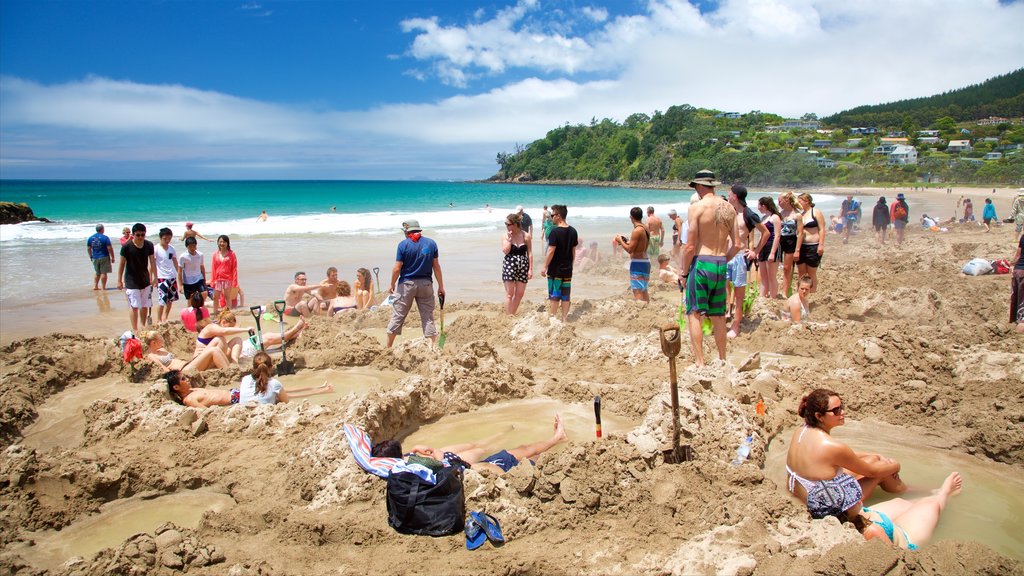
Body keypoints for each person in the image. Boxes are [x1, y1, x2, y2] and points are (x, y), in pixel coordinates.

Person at [786, 389, 962, 551]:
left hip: (825, 499)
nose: (843, 412)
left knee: (902, 501)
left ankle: (927, 493)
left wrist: (874, 456)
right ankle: (940, 492)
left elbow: (846, 457)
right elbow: (871, 472)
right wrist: (895, 465)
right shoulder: (872, 531)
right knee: (931, 503)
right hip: (885, 530)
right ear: (819, 416)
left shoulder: (802, 430)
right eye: (837, 410)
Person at [372, 414, 568, 475]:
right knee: (524, 453)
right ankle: (557, 438)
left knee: (482, 447)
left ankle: (509, 431)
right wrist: (425, 452)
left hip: (459, 465)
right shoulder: (410, 462)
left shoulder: (403, 468)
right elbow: (436, 458)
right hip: (465, 467)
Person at [680, 170, 738, 367]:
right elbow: (738, 244)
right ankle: (722, 359)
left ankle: (700, 361)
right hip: (720, 262)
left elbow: (689, 246)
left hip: (701, 261)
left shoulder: (696, 208)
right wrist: (723, 259)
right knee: (718, 315)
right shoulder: (729, 208)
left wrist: (683, 272)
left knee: (694, 313)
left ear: (699, 186)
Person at [386, 219, 446, 347]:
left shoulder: (403, 245)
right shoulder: (431, 243)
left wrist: (391, 284)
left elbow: (397, 268)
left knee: (398, 315)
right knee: (428, 317)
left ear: (407, 231)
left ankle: (388, 348)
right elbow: (436, 267)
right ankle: (431, 348)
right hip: (426, 284)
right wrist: (441, 286)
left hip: (406, 285)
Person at [726, 185, 768, 338]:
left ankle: (736, 326)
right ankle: (723, 318)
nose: (728, 195)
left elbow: (766, 232)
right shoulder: (730, 211)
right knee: (721, 290)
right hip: (724, 256)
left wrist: (755, 251)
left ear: (735, 196)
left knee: (738, 294)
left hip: (738, 258)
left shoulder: (748, 214)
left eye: (729, 194)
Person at [238, 351, 333, 404]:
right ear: (271, 367)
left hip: (246, 412)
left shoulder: (245, 379)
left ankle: (318, 388)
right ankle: (321, 390)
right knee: (281, 393)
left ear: (253, 367)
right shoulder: (274, 383)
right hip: (264, 412)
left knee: (278, 392)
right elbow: (287, 401)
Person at [540, 204, 579, 321]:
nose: (551, 217)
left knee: (555, 294)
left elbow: (551, 251)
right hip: (567, 269)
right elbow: (573, 251)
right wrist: (571, 266)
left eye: (552, 215)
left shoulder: (555, 232)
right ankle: (564, 318)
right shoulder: (573, 231)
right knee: (566, 295)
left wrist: (544, 266)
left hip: (555, 269)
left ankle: (553, 318)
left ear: (558, 216)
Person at [117, 223, 157, 332]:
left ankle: (142, 327)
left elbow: (152, 262)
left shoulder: (149, 245)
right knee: (134, 306)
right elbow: (121, 265)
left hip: (145, 280)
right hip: (131, 281)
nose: (140, 237)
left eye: (142, 235)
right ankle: (135, 329)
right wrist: (119, 280)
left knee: (145, 306)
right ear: (133, 235)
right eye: (138, 235)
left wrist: (155, 277)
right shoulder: (126, 247)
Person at [219, 311, 305, 361]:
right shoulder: (215, 329)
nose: (232, 328)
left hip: (244, 346)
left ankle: (296, 334)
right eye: (231, 326)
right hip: (245, 350)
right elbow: (225, 332)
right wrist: (246, 329)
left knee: (270, 339)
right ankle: (296, 328)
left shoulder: (217, 332)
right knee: (269, 338)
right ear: (223, 322)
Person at [143, 330, 230, 373]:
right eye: (160, 339)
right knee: (213, 350)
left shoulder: (162, 350)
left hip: (187, 364)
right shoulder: (151, 356)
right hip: (184, 371)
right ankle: (228, 373)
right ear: (153, 343)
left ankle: (229, 369)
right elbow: (164, 370)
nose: (163, 340)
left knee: (217, 346)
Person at [614, 207, 651, 303]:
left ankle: (641, 310)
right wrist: (626, 241)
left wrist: (620, 240)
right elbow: (639, 244)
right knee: (644, 289)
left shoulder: (637, 230)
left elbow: (630, 250)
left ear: (631, 217)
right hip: (645, 261)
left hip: (637, 263)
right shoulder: (645, 228)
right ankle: (647, 307)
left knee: (637, 290)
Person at [501, 212, 533, 315]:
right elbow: (505, 251)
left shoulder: (526, 236)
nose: (506, 226)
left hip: (523, 266)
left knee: (520, 293)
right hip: (509, 265)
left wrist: (530, 269)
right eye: (505, 224)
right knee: (510, 293)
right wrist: (509, 241)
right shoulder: (505, 236)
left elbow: (530, 254)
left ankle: (512, 313)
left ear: (515, 224)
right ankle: (508, 316)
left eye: (508, 224)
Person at [795, 193, 826, 294]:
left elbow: (822, 229)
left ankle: (812, 293)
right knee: (801, 273)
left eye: (800, 201)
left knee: (811, 273)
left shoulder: (815, 212)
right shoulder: (801, 214)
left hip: (813, 245)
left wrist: (821, 244)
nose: (798, 203)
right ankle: (801, 294)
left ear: (807, 201)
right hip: (802, 246)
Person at [166, 371, 239, 408]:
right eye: (183, 379)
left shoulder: (192, 390)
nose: (188, 379)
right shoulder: (189, 400)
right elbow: (207, 412)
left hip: (234, 392)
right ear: (176, 387)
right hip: (234, 398)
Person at [153, 227, 181, 325]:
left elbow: (175, 262)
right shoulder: (156, 248)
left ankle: (165, 317)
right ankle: (159, 319)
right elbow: (151, 264)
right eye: (165, 238)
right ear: (161, 238)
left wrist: (180, 275)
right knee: (162, 301)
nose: (167, 240)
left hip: (172, 277)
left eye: (169, 238)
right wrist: (152, 277)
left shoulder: (171, 249)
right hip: (161, 277)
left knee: (170, 300)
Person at [756, 197, 782, 299]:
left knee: (771, 276)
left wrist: (772, 252)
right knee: (763, 276)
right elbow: (760, 236)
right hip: (763, 247)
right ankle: (763, 297)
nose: (758, 208)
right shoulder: (763, 218)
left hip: (772, 246)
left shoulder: (774, 217)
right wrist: (757, 250)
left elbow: (777, 235)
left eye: (759, 205)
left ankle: (773, 297)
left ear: (764, 205)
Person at [778, 192, 801, 298]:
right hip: (780, 240)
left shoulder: (797, 215)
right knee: (775, 266)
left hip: (791, 240)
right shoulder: (780, 213)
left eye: (780, 201)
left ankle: (785, 291)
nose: (779, 204)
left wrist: (797, 250)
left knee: (787, 268)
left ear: (787, 201)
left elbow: (800, 233)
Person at [210, 235, 238, 315]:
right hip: (218, 279)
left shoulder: (232, 254)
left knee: (227, 297)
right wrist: (213, 280)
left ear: (227, 243)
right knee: (215, 297)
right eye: (220, 242)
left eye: (224, 242)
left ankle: (228, 313)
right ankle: (215, 312)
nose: (222, 243)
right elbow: (213, 268)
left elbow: (234, 268)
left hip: (228, 279)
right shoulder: (215, 254)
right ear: (218, 243)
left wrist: (234, 281)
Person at [86, 224, 115, 291]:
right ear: (102, 229)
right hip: (104, 256)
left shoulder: (90, 238)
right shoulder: (105, 238)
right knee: (103, 273)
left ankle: (95, 286)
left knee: (97, 272)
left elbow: (88, 248)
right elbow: (109, 248)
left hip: (95, 257)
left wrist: (91, 256)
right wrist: (112, 257)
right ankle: (103, 287)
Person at [178, 236, 207, 301]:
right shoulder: (183, 257)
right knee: (190, 299)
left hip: (199, 278)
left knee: (204, 293)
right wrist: (180, 285)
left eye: (194, 246)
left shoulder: (200, 255)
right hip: (188, 281)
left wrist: (204, 279)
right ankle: (190, 310)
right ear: (186, 246)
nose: (192, 248)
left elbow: (202, 267)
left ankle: (200, 308)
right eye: (190, 246)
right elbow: (179, 272)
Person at [1011, 231, 1024, 333]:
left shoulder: (1023, 237)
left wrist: (1011, 265)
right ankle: (1018, 332)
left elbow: (1017, 255)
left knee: (1018, 303)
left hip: (1017, 271)